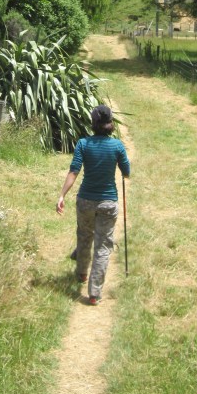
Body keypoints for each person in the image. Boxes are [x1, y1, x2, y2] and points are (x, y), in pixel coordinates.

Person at [56, 104, 130, 305]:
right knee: (103, 246)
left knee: (84, 235)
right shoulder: (117, 146)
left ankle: (81, 272)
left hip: (85, 201)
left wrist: (62, 195)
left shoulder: (83, 144)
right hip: (108, 203)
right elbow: (126, 172)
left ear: (93, 123)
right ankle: (95, 293)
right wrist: (122, 170)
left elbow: (74, 171)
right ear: (110, 123)